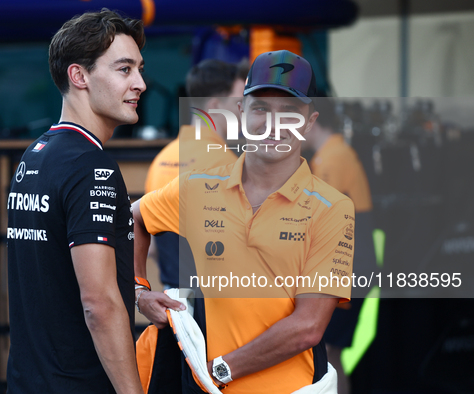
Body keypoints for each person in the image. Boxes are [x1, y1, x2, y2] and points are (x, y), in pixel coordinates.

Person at [133, 50, 355, 393]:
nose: (273, 124)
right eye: (261, 108)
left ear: (310, 123)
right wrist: (138, 290)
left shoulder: (333, 208)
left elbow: (308, 326)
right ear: (240, 112)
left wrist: (219, 371)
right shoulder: (197, 187)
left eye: (290, 113)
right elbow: (133, 219)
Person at [6, 9, 146, 394]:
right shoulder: (90, 165)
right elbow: (97, 303)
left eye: (139, 69)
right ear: (79, 76)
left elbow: (55, 275)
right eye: (124, 69)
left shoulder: (37, 153)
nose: (140, 83)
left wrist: (135, 294)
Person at [144, 59, 248, 289]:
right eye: (239, 103)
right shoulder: (227, 165)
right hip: (217, 303)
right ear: (214, 106)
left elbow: (151, 245)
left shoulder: (161, 160)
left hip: (173, 301)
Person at [302, 97, 377, 394]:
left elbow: (320, 221)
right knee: (330, 355)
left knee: (328, 354)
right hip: (352, 266)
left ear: (313, 121)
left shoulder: (332, 158)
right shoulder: (331, 154)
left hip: (350, 268)